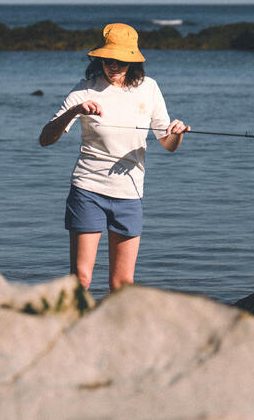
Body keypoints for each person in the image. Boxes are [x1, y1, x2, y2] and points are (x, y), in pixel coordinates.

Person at [39, 23, 189, 292]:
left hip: (130, 194)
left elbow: (168, 144)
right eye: (108, 59)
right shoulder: (84, 90)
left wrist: (177, 133)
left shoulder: (149, 88)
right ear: (100, 59)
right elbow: (45, 139)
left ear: (132, 61)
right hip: (88, 190)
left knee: (123, 285)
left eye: (121, 60)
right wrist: (74, 111)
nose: (114, 65)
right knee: (80, 280)